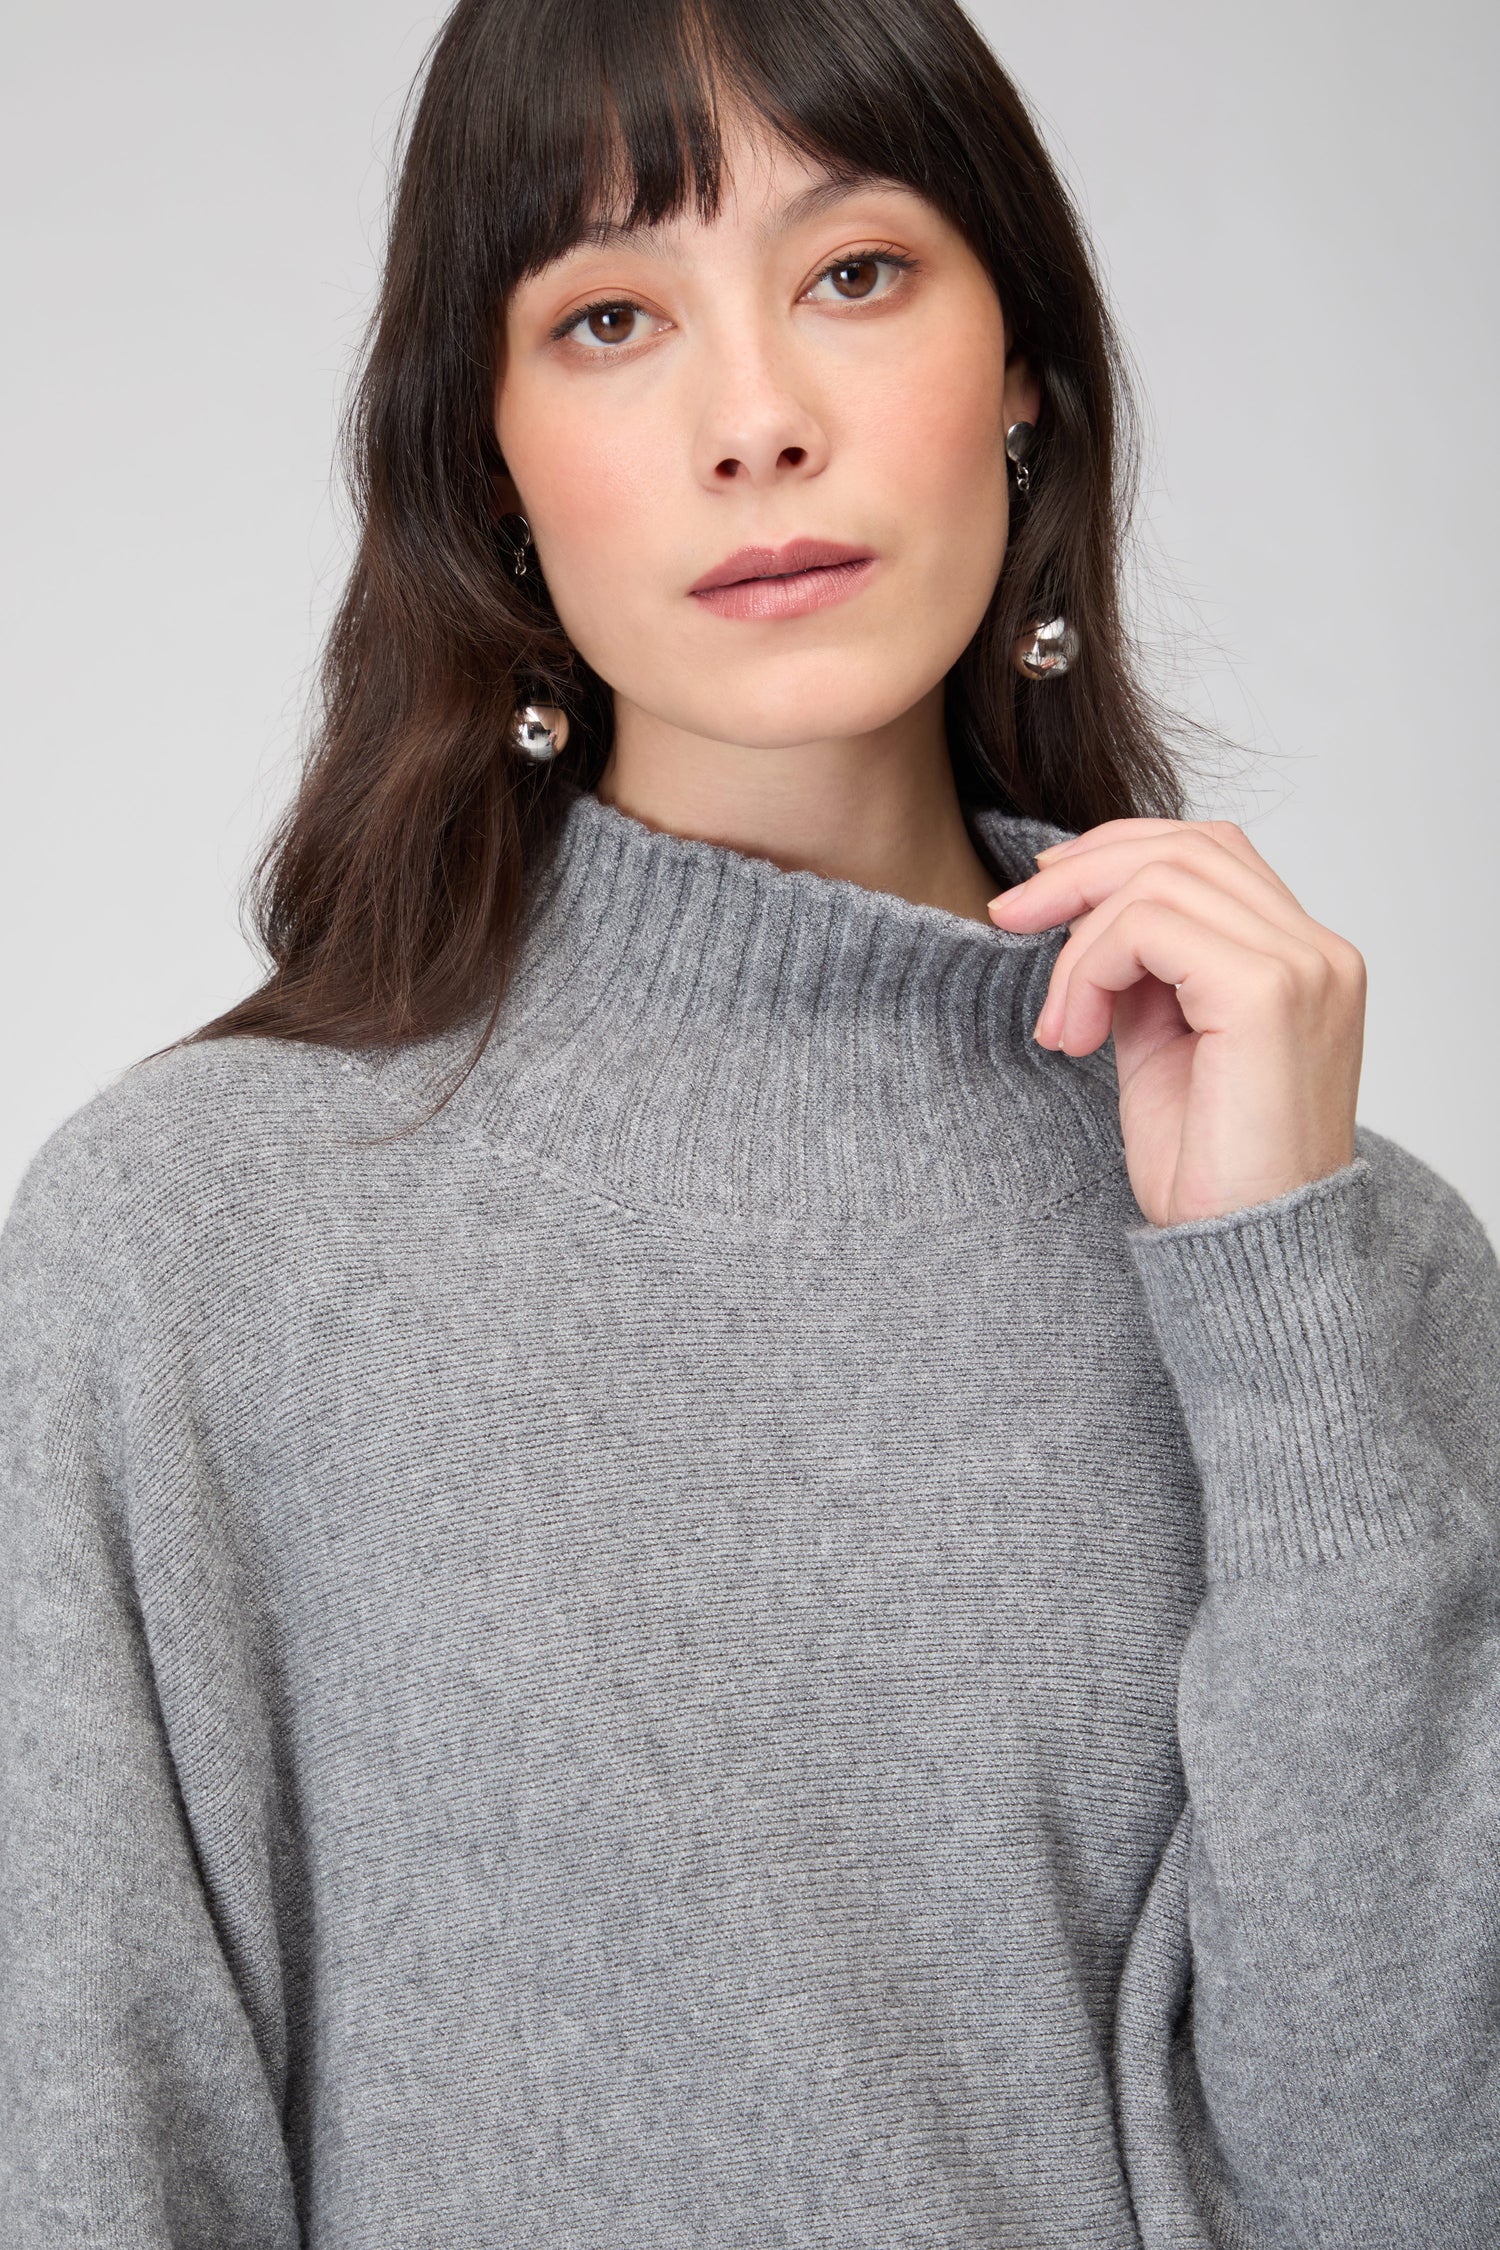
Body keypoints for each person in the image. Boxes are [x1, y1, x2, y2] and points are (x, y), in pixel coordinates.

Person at [2, 0, 1495, 2241]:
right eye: (609, 317)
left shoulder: (1344, 1266)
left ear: (1023, 379)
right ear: (487, 460)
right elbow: (96, 2159)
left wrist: (1282, 1312)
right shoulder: (191, 1244)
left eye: (857, 273)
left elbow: (1414, 2180)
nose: (758, 422)